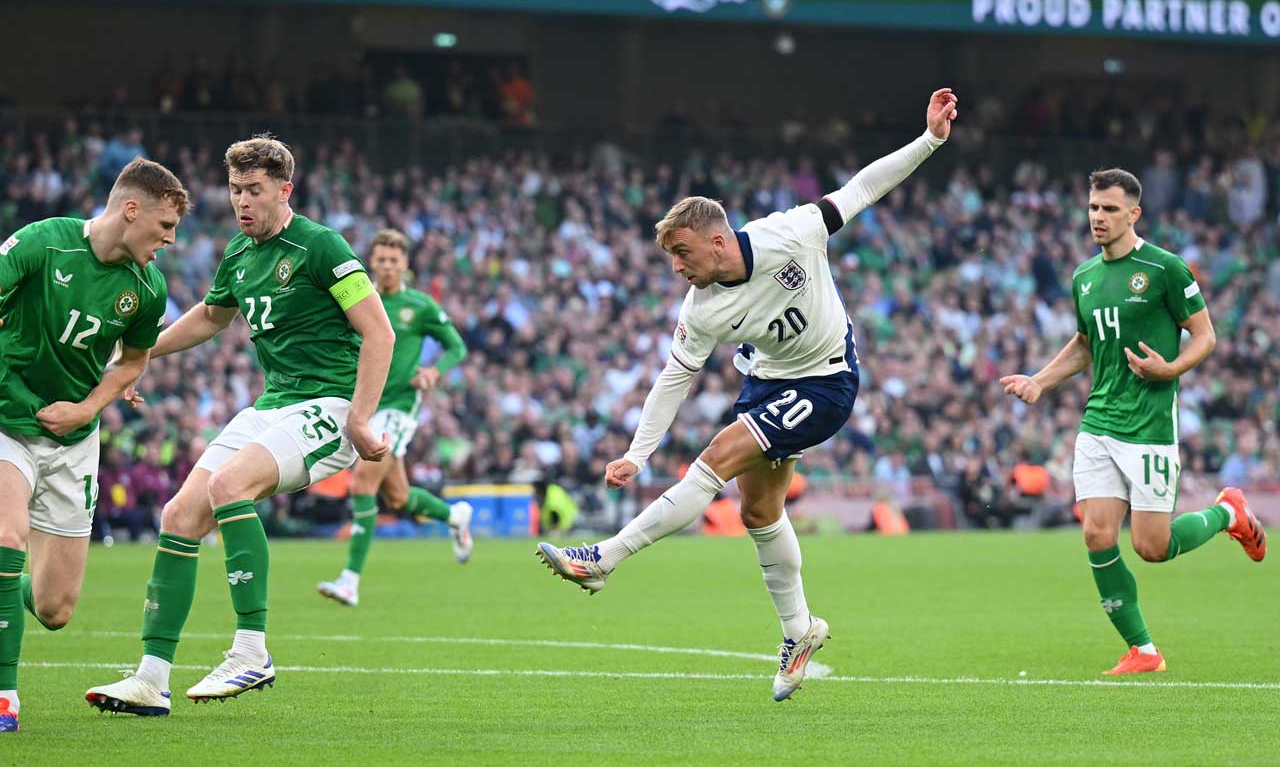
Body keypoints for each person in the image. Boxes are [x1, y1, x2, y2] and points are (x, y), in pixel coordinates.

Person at [536, 89, 959, 703]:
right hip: (767, 382)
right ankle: (800, 631)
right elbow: (674, 376)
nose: (677, 267)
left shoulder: (792, 233)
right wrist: (638, 452)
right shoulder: (700, 307)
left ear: (716, 239)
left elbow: (863, 189)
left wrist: (930, 140)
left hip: (827, 381)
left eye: (682, 252)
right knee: (758, 513)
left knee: (711, 462)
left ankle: (603, 558)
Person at [84, 134, 393, 716]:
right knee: (179, 514)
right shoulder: (238, 252)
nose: (242, 201)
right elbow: (208, 317)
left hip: (325, 407)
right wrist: (140, 358)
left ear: (284, 190)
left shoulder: (322, 247)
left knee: (229, 486)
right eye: (234, 190)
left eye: (254, 190)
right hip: (271, 406)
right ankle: (152, 678)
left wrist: (359, 418)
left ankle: (252, 650)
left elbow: (380, 333)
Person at [0, 157, 186, 734]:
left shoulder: (147, 288)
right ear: (131, 209)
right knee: (6, 536)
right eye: (165, 227)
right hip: (2, 417)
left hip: (73, 439)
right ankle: (4, 704)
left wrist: (88, 407)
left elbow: (135, 362)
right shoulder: (44, 242)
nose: (170, 241)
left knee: (54, 609)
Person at [998, 168, 1264, 676]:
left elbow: (1205, 337)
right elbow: (1083, 344)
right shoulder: (1084, 276)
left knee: (1151, 547)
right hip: (1099, 422)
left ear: (1134, 214)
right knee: (1097, 535)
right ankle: (1144, 650)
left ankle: (1227, 513)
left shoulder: (1165, 269)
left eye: (1110, 209)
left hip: (1149, 426)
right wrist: (1040, 380)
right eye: (1094, 208)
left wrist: (1171, 368)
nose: (1098, 218)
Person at [317, 228, 472, 607]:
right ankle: (454, 517)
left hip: (401, 404)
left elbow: (456, 345)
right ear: (372, 262)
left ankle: (350, 580)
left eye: (394, 260)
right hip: (365, 403)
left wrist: (434, 371)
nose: (387, 267)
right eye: (381, 260)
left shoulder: (418, 306)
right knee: (399, 498)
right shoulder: (357, 300)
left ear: (405, 264)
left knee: (362, 485)